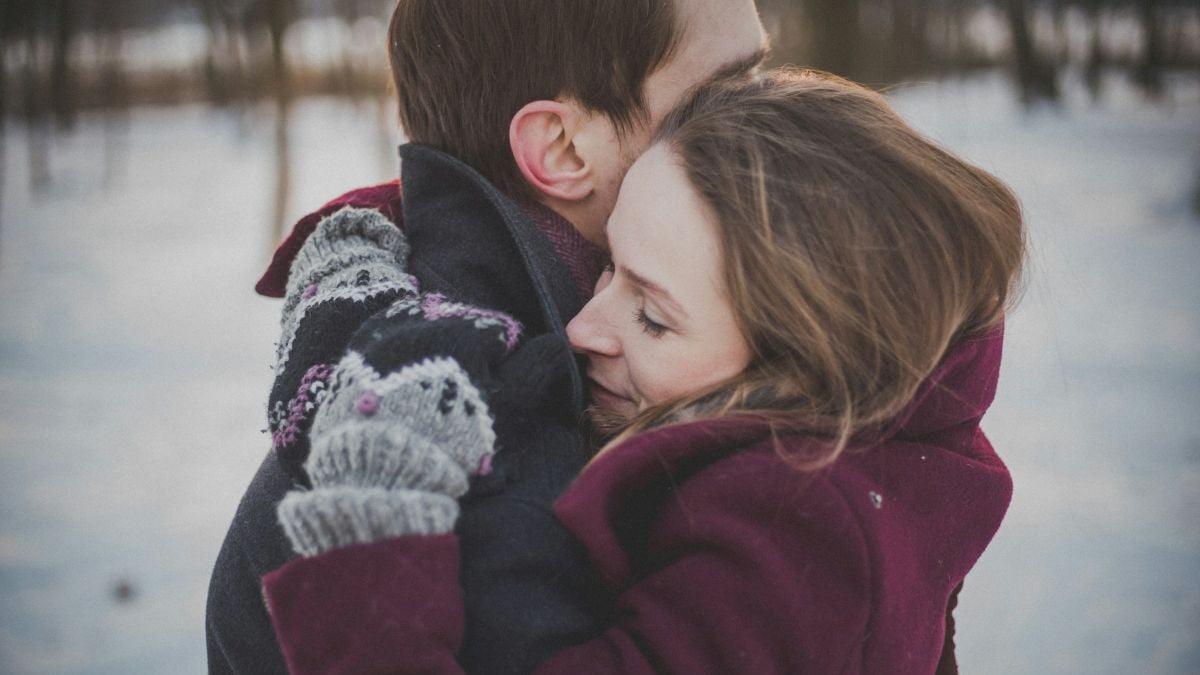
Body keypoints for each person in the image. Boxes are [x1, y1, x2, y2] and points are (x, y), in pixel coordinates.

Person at [260, 68, 1025, 673]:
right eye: (608, 267)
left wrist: (366, 541)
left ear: (808, 362)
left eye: (653, 316)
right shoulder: (854, 465)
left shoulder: (794, 551)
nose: (584, 329)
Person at [205, 0, 769, 673]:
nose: (774, 122)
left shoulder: (585, 367)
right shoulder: (497, 472)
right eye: (727, 92)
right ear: (560, 148)